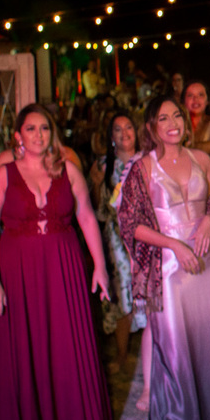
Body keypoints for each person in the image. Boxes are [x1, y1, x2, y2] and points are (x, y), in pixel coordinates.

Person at [0, 104, 112, 420]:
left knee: (66, 347)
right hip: (19, 276)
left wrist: (100, 266)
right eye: (31, 129)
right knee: (28, 349)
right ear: (18, 135)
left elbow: (86, 216)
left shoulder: (68, 170)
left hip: (64, 270)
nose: (39, 135)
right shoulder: (3, 175)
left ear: (52, 134)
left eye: (45, 129)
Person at [115, 95, 210, 420]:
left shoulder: (201, 159)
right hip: (169, 269)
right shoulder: (143, 169)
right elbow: (129, 223)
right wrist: (174, 244)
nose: (172, 123)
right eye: (163, 117)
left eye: (177, 116)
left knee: (208, 348)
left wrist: (209, 221)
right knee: (173, 357)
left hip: (207, 262)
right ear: (151, 126)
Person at [88, 111, 146, 377]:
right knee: (124, 289)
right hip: (117, 235)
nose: (124, 134)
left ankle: (155, 352)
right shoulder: (102, 165)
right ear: (111, 137)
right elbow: (92, 205)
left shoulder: (148, 160)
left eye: (129, 128)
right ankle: (122, 356)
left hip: (147, 235)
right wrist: (96, 185)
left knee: (150, 289)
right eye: (118, 130)